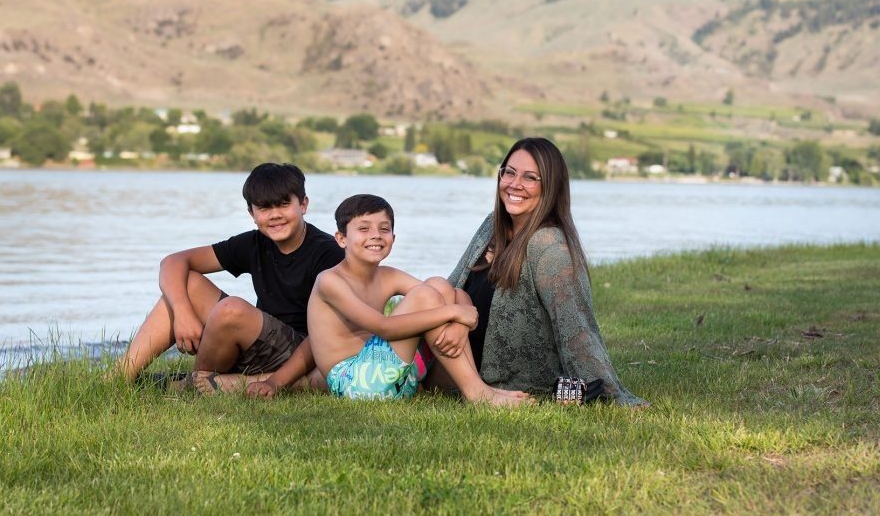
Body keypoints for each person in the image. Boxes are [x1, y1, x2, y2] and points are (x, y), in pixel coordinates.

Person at [250, 194, 533, 406]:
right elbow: (383, 327)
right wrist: (458, 313)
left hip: (390, 377)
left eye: (383, 229)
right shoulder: (330, 281)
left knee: (439, 285)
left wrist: (460, 320)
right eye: (363, 229)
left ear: (394, 238)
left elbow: (452, 295)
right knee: (428, 296)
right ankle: (477, 393)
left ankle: (476, 387)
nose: (375, 235)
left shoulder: (387, 275)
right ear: (341, 239)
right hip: (355, 384)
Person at [438, 138, 648, 406]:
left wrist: (610, 393)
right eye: (509, 172)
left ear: (550, 187)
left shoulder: (549, 246)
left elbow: (576, 325)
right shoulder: (492, 225)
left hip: (500, 376)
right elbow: (452, 286)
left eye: (530, 178)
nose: (515, 184)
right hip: (455, 352)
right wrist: (457, 321)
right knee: (432, 289)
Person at [115, 163, 343, 393]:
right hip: (260, 346)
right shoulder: (254, 243)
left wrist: (276, 381)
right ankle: (118, 377)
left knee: (231, 309)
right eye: (264, 208)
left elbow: (327, 333)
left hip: (303, 351)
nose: (275, 215)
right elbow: (173, 262)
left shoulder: (327, 253)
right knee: (188, 284)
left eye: (284, 204)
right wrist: (183, 312)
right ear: (251, 214)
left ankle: (194, 386)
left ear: (303, 204)